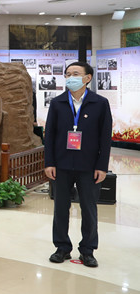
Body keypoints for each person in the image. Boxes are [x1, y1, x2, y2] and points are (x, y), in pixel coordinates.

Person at [45, 61, 112, 268]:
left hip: (89, 167)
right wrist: (49, 163)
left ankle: (87, 250)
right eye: (67, 74)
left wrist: (102, 166)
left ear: (87, 78)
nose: (70, 77)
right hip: (62, 165)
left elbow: (105, 137)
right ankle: (62, 247)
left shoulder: (100, 103)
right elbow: (50, 135)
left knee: (89, 209)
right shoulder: (57, 103)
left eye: (75, 74)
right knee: (60, 208)